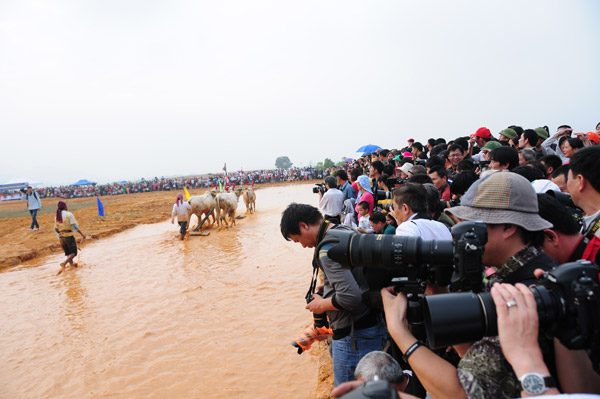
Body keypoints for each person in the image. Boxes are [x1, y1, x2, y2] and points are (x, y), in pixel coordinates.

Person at [382, 172, 557, 399]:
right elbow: (477, 362)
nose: (462, 233)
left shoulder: (527, 291)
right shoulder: (517, 272)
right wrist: (441, 298)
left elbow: (465, 392)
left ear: (508, 227)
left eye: (473, 225)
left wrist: (399, 331)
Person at [280, 203, 387, 386]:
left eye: (298, 240)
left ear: (304, 226)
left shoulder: (327, 250)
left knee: (347, 392)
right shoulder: (341, 230)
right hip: (372, 323)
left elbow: (351, 297)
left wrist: (320, 305)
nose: (304, 246)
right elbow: (354, 275)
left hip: (354, 336)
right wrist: (328, 288)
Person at [54, 201, 87, 274]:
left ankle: (72, 266)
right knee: (74, 253)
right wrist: (82, 234)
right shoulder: (69, 214)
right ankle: (64, 263)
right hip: (68, 236)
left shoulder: (57, 216)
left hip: (61, 237)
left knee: (68, 253)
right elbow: (74, 226)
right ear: (65, 207)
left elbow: (56, 229)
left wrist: (60, 235)